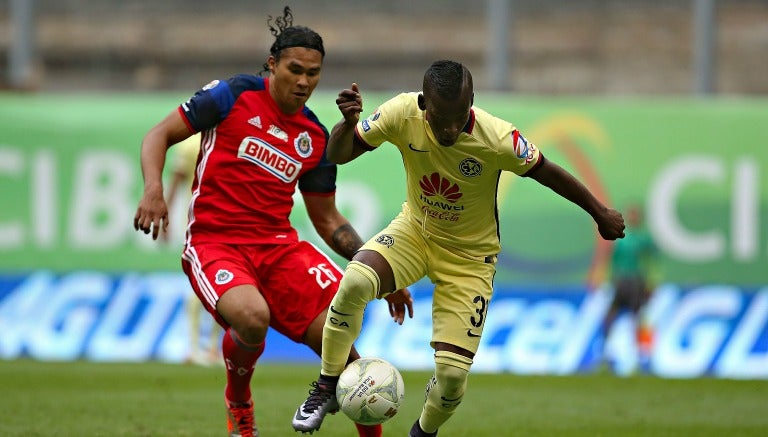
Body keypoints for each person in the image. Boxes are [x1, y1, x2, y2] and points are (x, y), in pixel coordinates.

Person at [292, 60, 626, 437]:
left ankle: (423, 431)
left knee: (451, 377)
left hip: (470, 260)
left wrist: (599, 213)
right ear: (423, 104)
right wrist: (349, 124)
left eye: (459, 116)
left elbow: (549, 173)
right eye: (440, 118)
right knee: (354, 282)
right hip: (414, 233)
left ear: (472, 101)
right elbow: (338, 154)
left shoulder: (498, 138)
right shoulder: (402, 112)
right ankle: (326, 386)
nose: (450, 128)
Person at [133, 7, 413, 437]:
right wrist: (154, 190)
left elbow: (328, 219)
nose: (304, 81)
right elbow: (158, 134)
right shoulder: (231, 96)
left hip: (279, 246)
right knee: (251, 316)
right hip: (215, 242)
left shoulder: (316, 137)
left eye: (313, 73)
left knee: (341, 347)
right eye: (295, 70)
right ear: (272, 65)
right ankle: (239, 403)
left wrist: (382, 272)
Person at [161, 133, 223, 366]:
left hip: (219, 220)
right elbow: (176, 181)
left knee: (219, 284)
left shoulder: (226, 135)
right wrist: (165, 214)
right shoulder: (191, 144)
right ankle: (198, 347)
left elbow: (175, 183)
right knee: (206, 282)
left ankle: (206, 348)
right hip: (203, 221)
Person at [601, 203, 659, 373]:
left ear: (639, 218)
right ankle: (606, 355)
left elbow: (652, 261)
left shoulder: (644, 239)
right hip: (620, 281)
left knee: (638, 320)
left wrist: (651, 282)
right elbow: (611, 260)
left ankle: (642, 358)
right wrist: (607, 279)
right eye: (630, 214)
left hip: (635, 281)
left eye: (634, 214)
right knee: (609, 319)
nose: (632, 217)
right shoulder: (618, 238)